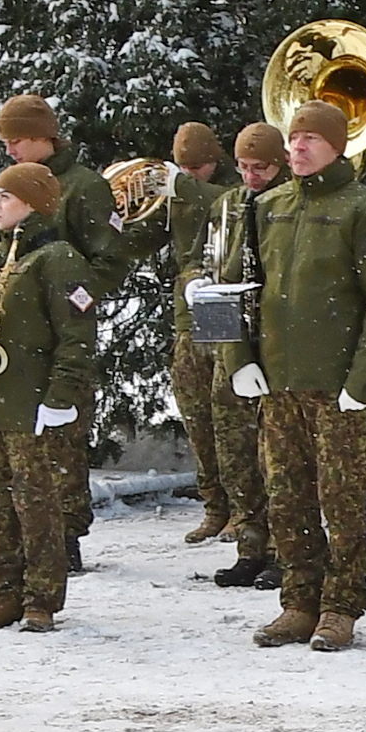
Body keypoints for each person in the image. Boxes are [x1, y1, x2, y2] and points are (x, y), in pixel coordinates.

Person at [240, 100, 366, 651]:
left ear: (338, 145)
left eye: (311, 139)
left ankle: (340, 606)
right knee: (286, 498)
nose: (298, 147)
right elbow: (238, 292)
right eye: (294, 138)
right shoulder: (267, 207)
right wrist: (238, 360)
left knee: (340, 499)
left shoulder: (365, 209)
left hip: (336, 385)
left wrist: (360, 382)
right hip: (278, 383)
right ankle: (297, 602)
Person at [0, 163, 97, 634]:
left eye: (5, 197)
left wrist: (62, 394)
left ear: (32, 202)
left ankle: (41, 600)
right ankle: (4, 593)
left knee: (38, 505)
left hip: (33, 405)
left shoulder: (59, 259)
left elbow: (77, 335)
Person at [0, 95, 114, 573]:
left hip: (62, 329)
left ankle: (67, 532)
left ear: (44, 135)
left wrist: (71, 299)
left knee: (64, 436)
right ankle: (29, 536)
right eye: (4, 141)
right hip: (18, 338)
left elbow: (109, 259)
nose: (9, 149)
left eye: (16, 139)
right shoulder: (13, 185)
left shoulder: (84, 187)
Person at [204, 124, 289, 592]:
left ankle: (284, 548)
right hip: (231, 336)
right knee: (234, 446)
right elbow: (213, 264)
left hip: (274, 340)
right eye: (244, 167)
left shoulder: (288, 205)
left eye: (262, 168)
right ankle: (250, 544)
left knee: (276, 454)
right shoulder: (226, 204)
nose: (252, 175)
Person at [142, 123, 235, 545]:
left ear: (216, 161)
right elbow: (143, 237)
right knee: (197, 414)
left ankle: (245, 508)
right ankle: (214, 506)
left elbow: (229, 206)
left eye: (198, 166)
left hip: (224, 308)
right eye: (184, 167)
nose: (192, 173)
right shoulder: (178, 194)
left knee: (230, 415)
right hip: (187, 314)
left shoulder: (233, 187)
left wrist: (182, 186)